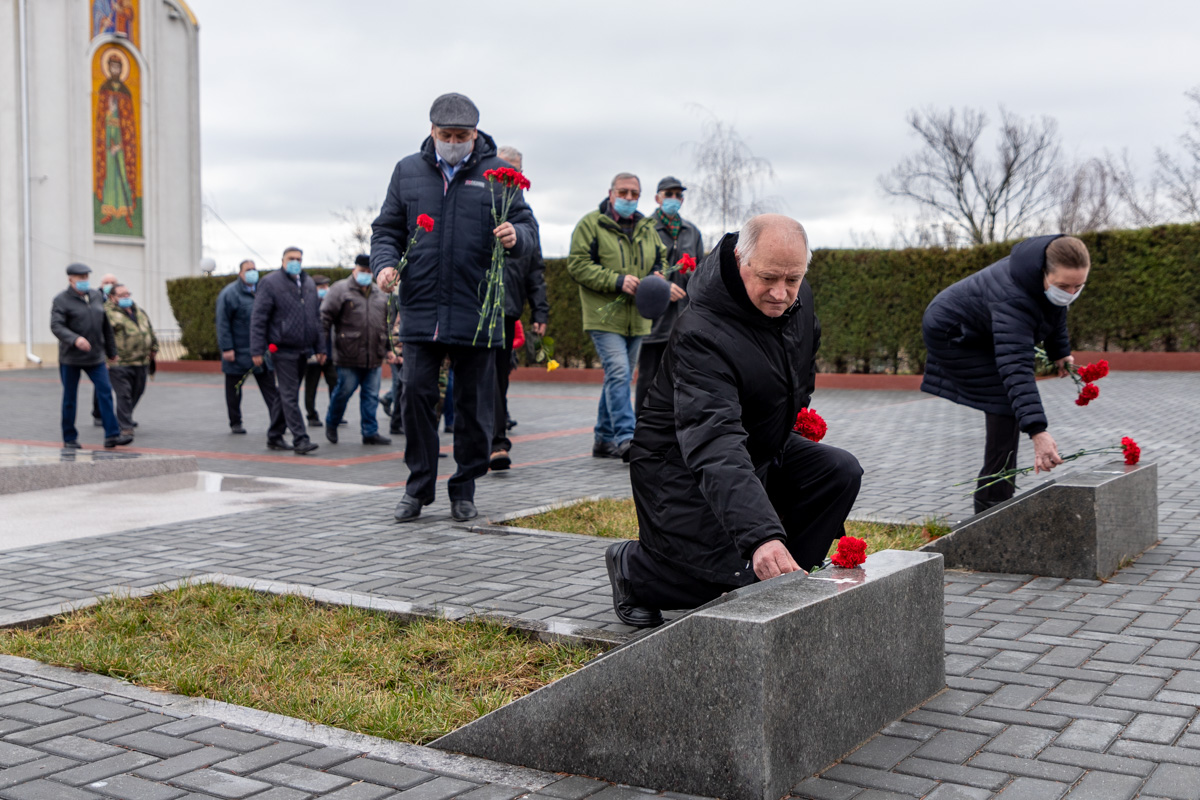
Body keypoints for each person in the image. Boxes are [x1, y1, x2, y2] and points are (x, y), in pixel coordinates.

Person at [604, 215, 863, 628]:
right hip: (680, 463)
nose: (781, 293)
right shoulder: (702, 330)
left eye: (792, 279)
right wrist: (760, 534)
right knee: (719, 577)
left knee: (837, 471)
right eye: (768, 278)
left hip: (757, 444)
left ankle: (783, 578)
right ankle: (634, 570)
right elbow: (713, 439)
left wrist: (791, 418)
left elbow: (800, 369)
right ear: (741, 259)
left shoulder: (799, 298)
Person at [371, 92, 537, 523]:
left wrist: (516, 236)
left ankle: (464, 486)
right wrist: (385, 266)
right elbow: (386, 228)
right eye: (446, 135)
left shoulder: (497, 175)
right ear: (432, 131)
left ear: (475, 134)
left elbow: (528, 228)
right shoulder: (407, 171)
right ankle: (418, 487)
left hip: (477, 313)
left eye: (461, 135)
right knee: (415, 398)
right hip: (421, 309)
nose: (453, 141)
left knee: (473, 408)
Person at [921, 235, 1091, 514]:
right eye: (1063, 286)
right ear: (1043, 273)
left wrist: (1060, 350)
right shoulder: (1013, 296)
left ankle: (997, 497)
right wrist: (1038, 431)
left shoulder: (1045, 282)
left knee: (1008, 406)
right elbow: (1016, 367)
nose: (1070, 293)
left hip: (981, 329)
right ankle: (991, 507)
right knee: (1003, 403)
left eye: (1078, 286)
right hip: (954, 335)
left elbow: (1055, 310)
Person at [566, 172, 666, 461]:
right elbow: (578, 265)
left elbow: (661, 259)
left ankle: (602, 438)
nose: (629, 198)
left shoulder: (647, 228)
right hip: (603, 316)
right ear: (611, 194)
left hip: (638, 316)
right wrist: (616, 280)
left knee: (617, 376)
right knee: (620, 372)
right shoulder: (591, 224)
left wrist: (657, 276)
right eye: (623, 192)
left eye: (635, 193)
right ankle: (626, 437)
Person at [489, 146, 549, 471]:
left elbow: (535, 270)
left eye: (516, 170)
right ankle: (485, 438)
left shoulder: (526, 219)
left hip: (507, 308)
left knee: (499, 378)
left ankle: (496, 441)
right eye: (503, 168)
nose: (509, 176)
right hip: (475, 309)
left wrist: (540, 312)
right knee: (474, 378)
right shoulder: (479, 206)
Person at [636, 176, 704, 414]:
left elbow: (699, 272)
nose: (674, 199)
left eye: (678, 195)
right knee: (648, 378)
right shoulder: (644, 229)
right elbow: (638, 269)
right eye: (669, 194)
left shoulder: (692, 232)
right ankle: (640, 431)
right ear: (657, 198)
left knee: (682, 380)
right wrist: (661, 287)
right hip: (653, 319)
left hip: (683, 317)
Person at [250, 246, 325, 455]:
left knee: (285, 394)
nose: (295, 262)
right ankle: (300, 439)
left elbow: (315, 319)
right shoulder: (270, 282)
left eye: (299, 259)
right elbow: (259, 318)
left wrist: (320, 347)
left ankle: (274, 435)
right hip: (282, 349)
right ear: (283, 260)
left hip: (304, 349)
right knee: (290, 396)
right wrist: (257, 349)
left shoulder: (309, 283)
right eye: (291, 258)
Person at [50, 263, 132, 449]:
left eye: (86, 277)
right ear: (71, 279)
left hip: (95, 356)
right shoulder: (61, 300)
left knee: (105, 392)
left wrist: (111, 352)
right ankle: (69, 437)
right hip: (71, 358)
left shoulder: (95, 296)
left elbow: (105, 325)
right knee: (70, 398)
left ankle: (112, 435)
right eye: (80, 278)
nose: (84, 281)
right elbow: (56, 326)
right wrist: (75, 339)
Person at [321, 255, 392, 445]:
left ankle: (370, 432)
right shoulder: (340, 289)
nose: (366, 275)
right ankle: (332, 423)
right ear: (355, 270)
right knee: (343, 392)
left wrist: (389, 349)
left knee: (371, 396)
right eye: (363, 271)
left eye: (370, 272)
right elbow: (324, 319)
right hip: (348, 354)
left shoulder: (379, 294)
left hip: (374, 356)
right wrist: (321, 348)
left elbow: (385, 325)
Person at [216, 259, 287, 443]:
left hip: (262, 353)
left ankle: (278, 422)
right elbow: (223, 323)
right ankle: (235, 422)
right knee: (234, 390)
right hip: (238, 352)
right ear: (240, 273)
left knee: (271, 390)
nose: (252, 273)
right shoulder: (229, 294)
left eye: (254, 269)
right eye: (248, 270)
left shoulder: (263, 291)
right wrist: (227, 348)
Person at [105, 283, 157, 437]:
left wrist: (154, 347)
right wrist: (105, 358)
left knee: (138, 391)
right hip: (119, 362)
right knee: (124, 394)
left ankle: (122, 416)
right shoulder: (107, 314)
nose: (126, 297)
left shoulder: (139, 311)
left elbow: (149, 330)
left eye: (128, 294)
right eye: (122, 295)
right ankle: (125, 426)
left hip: (141, 361)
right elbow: (102, 337)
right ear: (112, 297)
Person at [304, 274, 339, 427]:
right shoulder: (307, 305)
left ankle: (334, 413)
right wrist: (312, 352)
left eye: (326, 286)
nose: (325, 289)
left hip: (330, 353)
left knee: (335, 384)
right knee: (311, 387)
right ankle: (311, 415)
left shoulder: (332, 304)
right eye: (321, 287)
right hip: (313, 355)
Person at [91, 272, 120, 428]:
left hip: (117, 348)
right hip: (101, 347)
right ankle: (98, 414)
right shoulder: (95, 298)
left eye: (112, 282)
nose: (109, 285)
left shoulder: (120, 298)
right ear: (101, 284)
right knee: (102, 383)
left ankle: (123, 415)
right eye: (106, 282)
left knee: (121, 384)